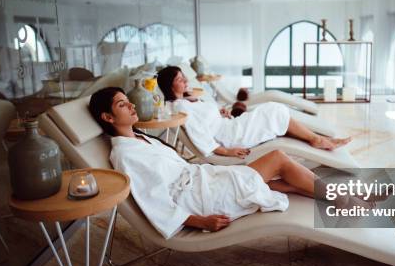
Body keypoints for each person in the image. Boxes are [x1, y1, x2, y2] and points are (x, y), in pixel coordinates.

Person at [89, 87, 373, 239]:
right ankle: (345, 199)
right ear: (108, 118)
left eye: (129, 101)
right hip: (200, 198)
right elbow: (151, 199)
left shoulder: (141, 140)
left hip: (203, 182)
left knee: (281, 182)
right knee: (278, 160)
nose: (133, 106)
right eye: (123, 104)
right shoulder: (125, 155)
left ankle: (344, 197)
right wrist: (200, 221)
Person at [156, 66, 351, 159]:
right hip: (230, 137)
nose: (185, 81)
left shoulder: (188, 99)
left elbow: (205, 118)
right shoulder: (180, 108)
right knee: (274, 110)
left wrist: (219, 113)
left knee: (273, 111)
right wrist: (225, 151)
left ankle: (314, 138)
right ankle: (315, 139)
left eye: (183, 77)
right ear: (169, 85)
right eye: (180, 79)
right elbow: (199, 136)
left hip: (229, 125)